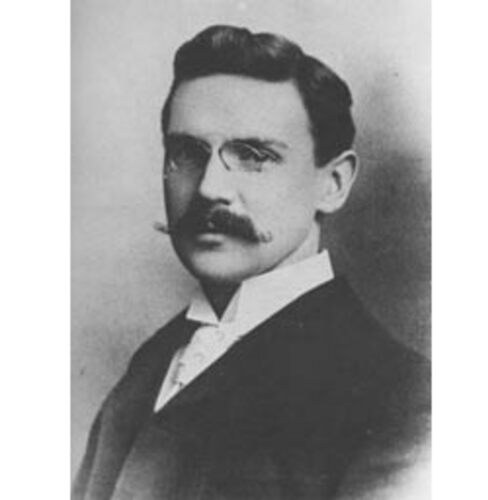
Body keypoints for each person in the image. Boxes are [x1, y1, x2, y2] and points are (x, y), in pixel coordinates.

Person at [73, 25, 430, 500]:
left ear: (333, 184)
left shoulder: (401, 403)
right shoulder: (149, 368)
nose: (208, 188)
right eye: (187, 153)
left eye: (253, 155)